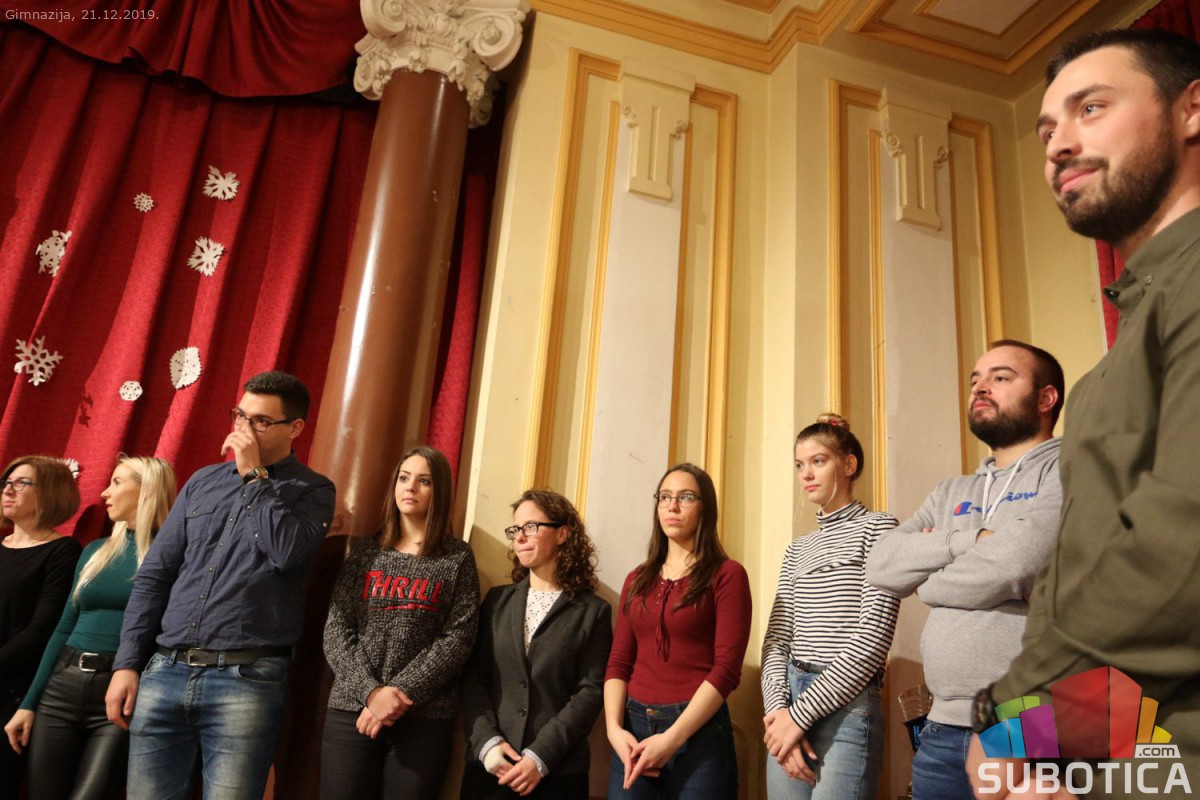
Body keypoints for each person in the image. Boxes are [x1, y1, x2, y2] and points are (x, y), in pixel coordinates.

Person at [966, 28, 1200, 797]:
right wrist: (1029, 744)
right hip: (1130, 753)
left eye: (1091, 108)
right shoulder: (1118, 355)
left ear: (1192, 109)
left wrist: (1010, 717)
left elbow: (1178, 557)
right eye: (1045, 132)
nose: (1059, 144)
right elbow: (1093, 588)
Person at [105, 371, 335, 799]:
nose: (244, 430)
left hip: (246, 678)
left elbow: (287, 552)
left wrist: (254, 477)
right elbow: (156, 575)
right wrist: (127, 663)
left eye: (260, 422)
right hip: (166, 669)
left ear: (295, 428)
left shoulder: (312, 490)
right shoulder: (203, 481)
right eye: (240, 416)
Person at [865, 341, 1064, 800]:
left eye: (1000, 377)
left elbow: (1017, 562)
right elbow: (881, 564)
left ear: (1045, 397)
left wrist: (928, 580)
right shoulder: (949, 491)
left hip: (1028, 721)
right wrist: (969, 541)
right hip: (940, 727)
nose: (980, 388)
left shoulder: (1070, 468)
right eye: (975, 380)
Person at [5, 456, 176, 800]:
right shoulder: (97, 551)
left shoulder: (171, 554)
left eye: (117, 483)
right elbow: (63, 627)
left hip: (120, 694)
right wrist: (30, 703)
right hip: (62, 687)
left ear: (147, 490)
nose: (104, 493)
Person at [321, 445, 479, 800]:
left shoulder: (456, 557)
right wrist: (371, 693)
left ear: (439, 491)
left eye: (424, 481)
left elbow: (459, 638)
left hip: (424, 718)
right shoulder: (365, 553)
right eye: (404, 478)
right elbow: (337, 631)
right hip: (352, 711)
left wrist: (400, 693)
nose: (411, 487)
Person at [761, 414, 900, 799]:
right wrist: (778, 715)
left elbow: (872, 639)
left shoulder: (879, 528)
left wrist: (799, 716)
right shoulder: (797, 549)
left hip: (848, 708)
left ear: (849, 464)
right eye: (799, 465)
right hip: (789, 703)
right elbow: (776, 640)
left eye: (818, 461)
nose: (806, 474)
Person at [604, 462, 752, 799]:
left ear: (705, 508)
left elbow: (726, 670)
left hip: (697, 735)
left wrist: (672, 739)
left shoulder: (727, 575)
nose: (672, 506)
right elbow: (618, 663)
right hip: (633, 731)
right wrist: (613, 730)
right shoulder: (637, 578)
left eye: (685, 497)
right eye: (665, 497)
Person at [461, 488, 612, 800]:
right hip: (491, 768)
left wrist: (540, 756)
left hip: (558, 772)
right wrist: (487, 743)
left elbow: (590, 692)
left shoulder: (593, 612)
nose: (519, 537)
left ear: (562, 534)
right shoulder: (497, 601)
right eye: (515, 529)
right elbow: (473, 677)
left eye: (530, 527)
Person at [0, 456, 82, 798]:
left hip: (10, 693)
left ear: (51, 493)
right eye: (6, 482)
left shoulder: (62, 551)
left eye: (22, 483)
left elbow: (41, 628)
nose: (8, 490)